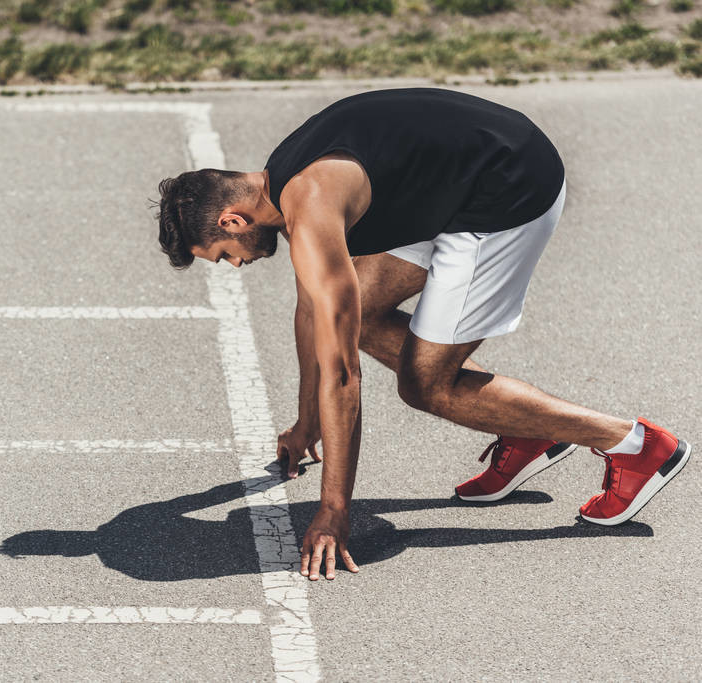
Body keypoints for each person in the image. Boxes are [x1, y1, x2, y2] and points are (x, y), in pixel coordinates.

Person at [154, 87, 691, 582]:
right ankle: (527, 430)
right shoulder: (281, 183)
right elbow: (314, 314)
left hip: (509, 189)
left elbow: (342, 373)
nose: (233, 264)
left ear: (230, 220)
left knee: (427, 385)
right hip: (463, 177)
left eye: (223, 256)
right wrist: (304, 423)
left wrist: (334, 508)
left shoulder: (312, 209)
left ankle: (635, 445)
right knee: (351, 316)